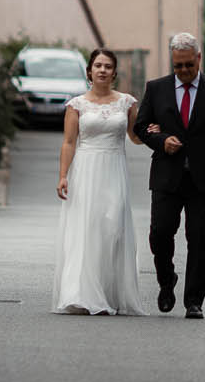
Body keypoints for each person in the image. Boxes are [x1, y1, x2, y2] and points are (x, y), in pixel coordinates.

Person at [133, 31, 205, 319]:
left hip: (203, 178)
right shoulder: (156, 89)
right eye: (178, 66)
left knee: (199, 238)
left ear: (198, 59)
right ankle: (166, 281)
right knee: (159, 234)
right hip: (167, 176)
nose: (183, 71)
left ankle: (194, 300)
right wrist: (161, 141)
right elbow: (141, 127)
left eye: (188, 65)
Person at [52, 48, 146, 315]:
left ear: (114, 72)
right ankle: (80, 293)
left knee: (113, 228)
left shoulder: (126, 103)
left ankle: (109, 292)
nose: (103, 70)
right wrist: (63, 175)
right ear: (89, 72)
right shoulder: (76, 105)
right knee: (86, 229)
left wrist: (152, 132)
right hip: (85, 169)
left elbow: (135, 137)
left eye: (107, 66)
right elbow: (69, 142)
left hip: (114, 169)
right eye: (98, 66)